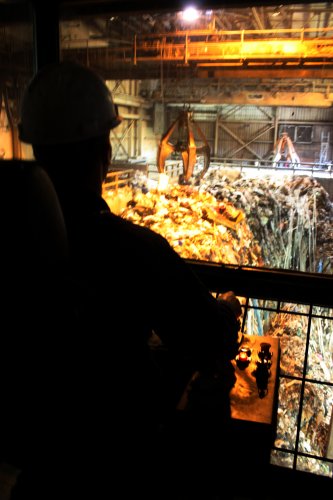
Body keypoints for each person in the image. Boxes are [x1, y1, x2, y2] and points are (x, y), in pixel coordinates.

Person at [17, 61, 242, 497]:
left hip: (40, 464)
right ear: (104, 150)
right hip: (116, 463)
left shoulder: (15, 242)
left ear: (36, 150)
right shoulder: (131, 248)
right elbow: (208, 334)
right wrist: (227, 310)